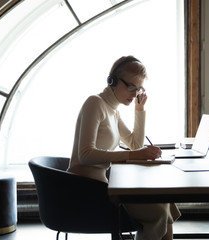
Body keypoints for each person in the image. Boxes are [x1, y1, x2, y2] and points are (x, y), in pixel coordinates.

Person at [68, 55, 180, 240]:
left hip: (104, 187)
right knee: (159, 211)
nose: (135, 93)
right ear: (112, 81)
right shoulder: (95, 103)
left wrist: (139, 110)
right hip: (86, 191)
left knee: (167, 202)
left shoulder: (113, 111)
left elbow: (135, 144)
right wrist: (134, 155)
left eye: (139, 89)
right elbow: (85, 154)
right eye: (131, 87)